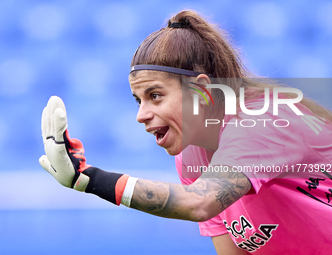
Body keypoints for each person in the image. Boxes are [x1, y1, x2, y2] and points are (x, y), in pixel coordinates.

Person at [39, 10, 332, 254]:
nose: (141, 115)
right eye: (138, 100)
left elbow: (198, 203)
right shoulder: (192, 152)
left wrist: (89, 179)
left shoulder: (261, 122)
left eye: (155, 95)